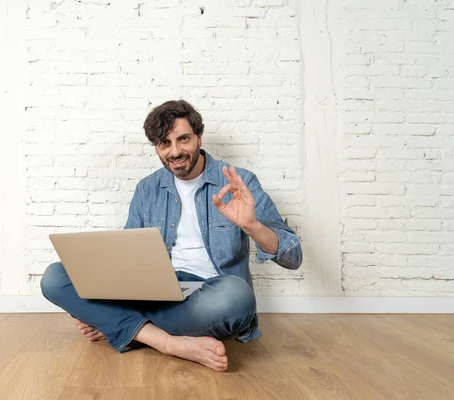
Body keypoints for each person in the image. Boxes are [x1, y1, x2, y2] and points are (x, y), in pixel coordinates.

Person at [40, 100, 302, 372]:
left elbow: (293, 257)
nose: (175, 151)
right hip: (153, 293)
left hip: (208, 296)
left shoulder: (238, 181)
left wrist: (251, 226)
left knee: (237, 298)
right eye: (165, 143)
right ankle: (168, 342)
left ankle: (121, 325)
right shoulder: (147, 188)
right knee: (55, 276)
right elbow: (128, 260)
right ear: (156, 147)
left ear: (199, 137)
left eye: (183, 139)